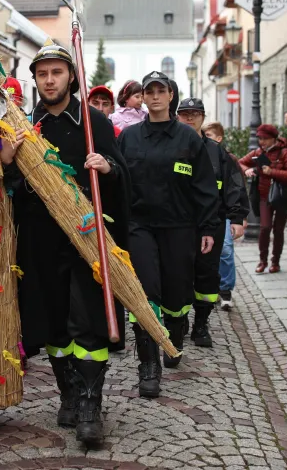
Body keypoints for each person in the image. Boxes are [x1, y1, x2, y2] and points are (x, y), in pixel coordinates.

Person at [1, 42, 130, 447]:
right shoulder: (23, 126)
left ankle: (92, 404)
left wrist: (107, 168)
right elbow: (7, 188)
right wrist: (7, 165)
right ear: (35, 79)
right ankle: (69, 394)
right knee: (53, 321)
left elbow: (122, 178)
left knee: (89, 319)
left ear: (71, 76)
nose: (50, 80)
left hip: (86, 238)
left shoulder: (95, 122)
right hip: (40, 238)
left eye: (57, 72)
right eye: (42, 74)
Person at [118, 73, 219, 399]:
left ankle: (175, 332)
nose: (156, 96)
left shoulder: (188, 139)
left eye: (162, 90)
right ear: (143, 97)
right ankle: (149, 365)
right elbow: (117, 181)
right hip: (140, 228)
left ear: (172, 95)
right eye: (150, 91)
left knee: (177, 296)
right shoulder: (130, 138)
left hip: (179, 227)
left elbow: (204, 187)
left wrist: (207, 227)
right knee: (145, 295)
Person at [175, 102, 248, 346]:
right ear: (178, 116)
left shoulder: (217, 152)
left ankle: (201, 324)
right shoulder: (171, 146)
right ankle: (180, 319)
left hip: (211, 222)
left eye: (194, 115)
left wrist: (237, 218)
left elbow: (234, 185)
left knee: (207, 274)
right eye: (185, 114)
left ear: (202, 118)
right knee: (179, 273)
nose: (189, 118)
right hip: (179, 223)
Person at [240, 125, 287, 274]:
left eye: (265, 139)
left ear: (274, 138)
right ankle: (262, 261)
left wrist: (272, 172)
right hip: (264, 196)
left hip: (281, 197)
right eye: (260, 138)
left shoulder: (285, 153)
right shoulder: (258, 153)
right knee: (265, 228)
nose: (262, 142)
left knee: (278, 230)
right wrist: (247, 169)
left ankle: (275, 262)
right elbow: (240, 162)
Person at [202, 122, 246, 311]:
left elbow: (237, 187)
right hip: (202, 215)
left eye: (210, 135)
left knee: (226, 250)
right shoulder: (198, 154)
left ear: (219, 138)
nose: (206, 138)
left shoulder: (228, 158)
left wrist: (238, 217)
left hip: (223, 213)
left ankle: (225, 290)